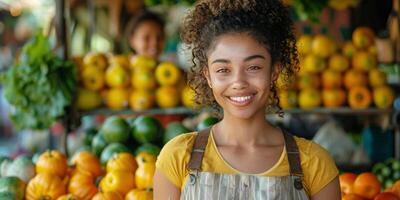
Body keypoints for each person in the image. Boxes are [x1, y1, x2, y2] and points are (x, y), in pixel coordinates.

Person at [153, 0, 341, 199]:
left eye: (253, 67)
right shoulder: (178, 156)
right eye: (223, 70)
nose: (239, 82)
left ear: (274, 71)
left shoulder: (315, 163)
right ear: (208, 76)